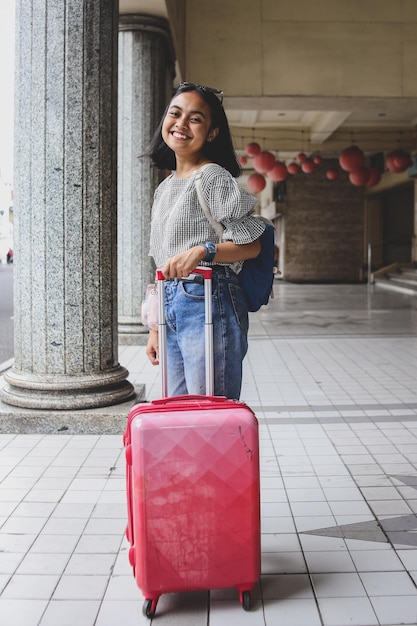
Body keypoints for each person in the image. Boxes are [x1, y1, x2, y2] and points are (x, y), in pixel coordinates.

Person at [145, 81, 265, 399]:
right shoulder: (165, 186)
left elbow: (251, 245)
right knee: (181, 413)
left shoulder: (211, 176)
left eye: (195, 118)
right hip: (171, 303)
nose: (181, 123)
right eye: (175, 113)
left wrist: (203, 250)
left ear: (211, 133)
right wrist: (156, 326)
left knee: (210, 409)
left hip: (208, 299)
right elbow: (160, 260)